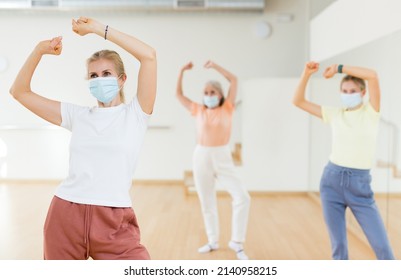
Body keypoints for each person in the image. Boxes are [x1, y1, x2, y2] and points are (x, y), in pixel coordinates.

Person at [9, 17, 156, 260]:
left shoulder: (136, 115)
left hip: (114, 222)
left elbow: (149, 56)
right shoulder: (77, 115)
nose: (100, 80)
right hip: (66, 216)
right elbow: (19, 92)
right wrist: (39, 51)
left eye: (106, 73)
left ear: (122, 79)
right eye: (94, 76)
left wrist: (98, 30)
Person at [293, 61, 394, 260]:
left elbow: (372, 74)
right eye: (344, 91)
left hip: (359, 185)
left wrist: (340, 69)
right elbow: (298, 101)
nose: (348, 94)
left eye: (352, 90)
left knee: (382, 247)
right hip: (331, 181)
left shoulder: (371, 112)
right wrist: (306, 74)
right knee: (338, 248)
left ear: (363, 93)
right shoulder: (334, 114)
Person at [176, 61, 251, 260]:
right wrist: (181, 72)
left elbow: (234, 80)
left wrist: (215, 66)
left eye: (212, 92)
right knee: (207, 201)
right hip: (201, 156)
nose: (208, 96)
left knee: (242, 197)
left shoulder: (228, 107)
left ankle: (237, 241)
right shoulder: (198, 109)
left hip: (222, 156)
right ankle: (212, 240)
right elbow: (179, 96)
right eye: (206, 93)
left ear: (220, 94)